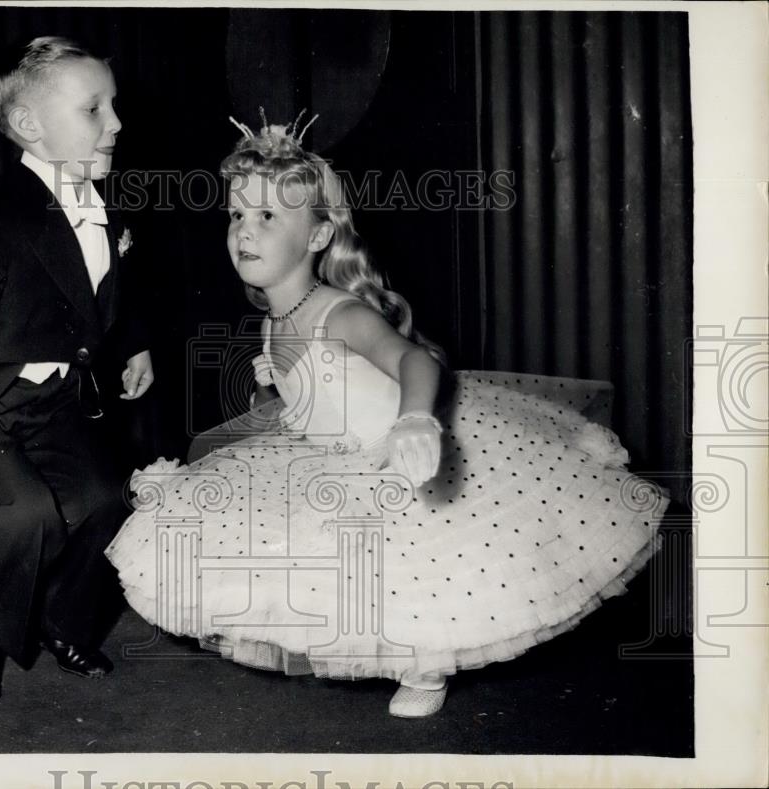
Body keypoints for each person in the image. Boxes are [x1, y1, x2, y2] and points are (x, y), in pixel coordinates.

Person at [104, 114, 665, 718]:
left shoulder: (341, 314)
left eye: (268, 216)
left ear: (318, 236)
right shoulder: (273, 320)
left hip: (392, 448)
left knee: (420, 557)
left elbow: (415, 360)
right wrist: (269, 394)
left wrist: (416, 421)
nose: (245, 230)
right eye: (237, 215)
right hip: (327, 455)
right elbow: (301, 407)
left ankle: (427, 662)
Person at [0, 37, 153, 702]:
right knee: (24, 516)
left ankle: (60, 621)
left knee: (110, 500)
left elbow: (99, 293)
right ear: (28, 125)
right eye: (94, 109)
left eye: (113, 105)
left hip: (55, 405)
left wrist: (134, 345)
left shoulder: (105, 205)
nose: (116, 123)